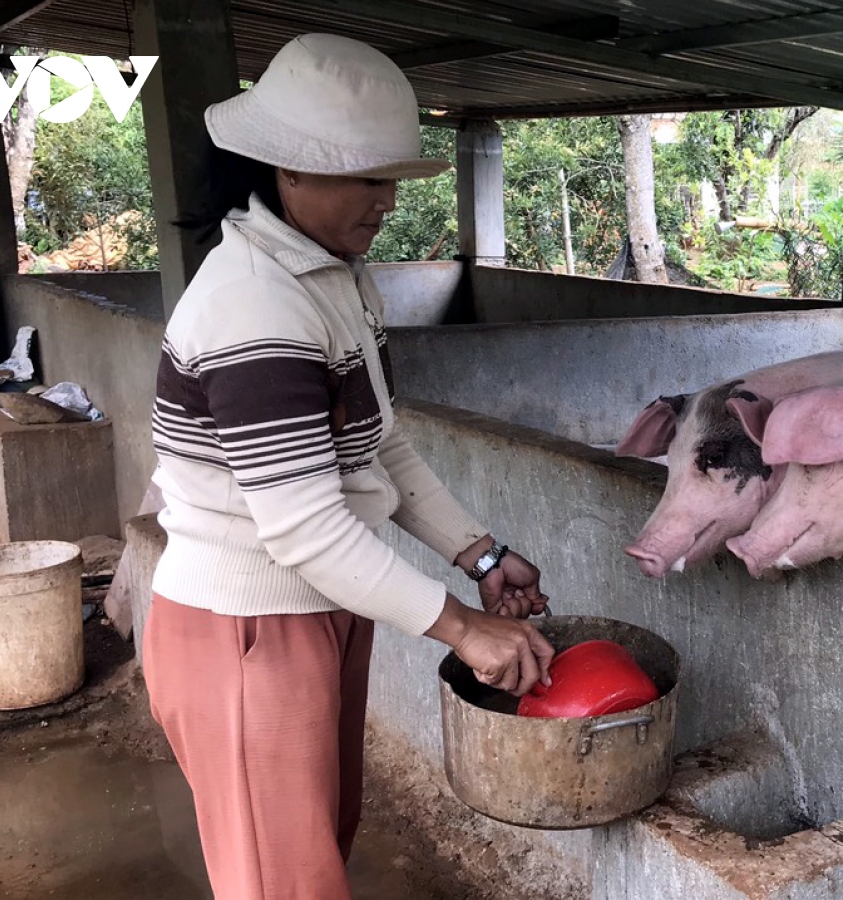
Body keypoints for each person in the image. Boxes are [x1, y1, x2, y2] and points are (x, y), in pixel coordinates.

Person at [141, 33, 554, 899]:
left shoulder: (332, 276)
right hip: (247, 627)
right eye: (365, 178)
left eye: (390, 178)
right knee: (283, 883)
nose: (386, 200)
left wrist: (479, 554)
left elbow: (376, 443)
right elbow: (304, 528)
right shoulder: (255, 302)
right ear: (288, 170)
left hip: (315, 608)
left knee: (318, 848)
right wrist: (464, 629)